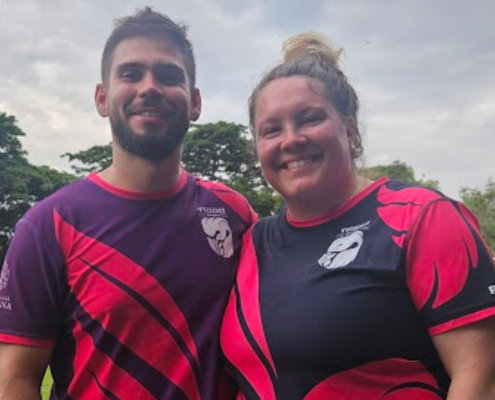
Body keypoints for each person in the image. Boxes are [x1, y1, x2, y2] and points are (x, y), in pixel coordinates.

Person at [221, 33, 495, 399]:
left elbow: (480, 377)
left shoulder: (420, 217)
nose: (291, 140)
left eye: (309, 118)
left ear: (349, 130)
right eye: (271, 129)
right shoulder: (255, 241)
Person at [0, 7, 255, 400]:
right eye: (130, 73)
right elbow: (16, 378)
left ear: (195, 103)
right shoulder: (48, 225)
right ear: (102, 98)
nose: (149, 87)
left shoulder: (234, 215)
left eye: (169, 75)